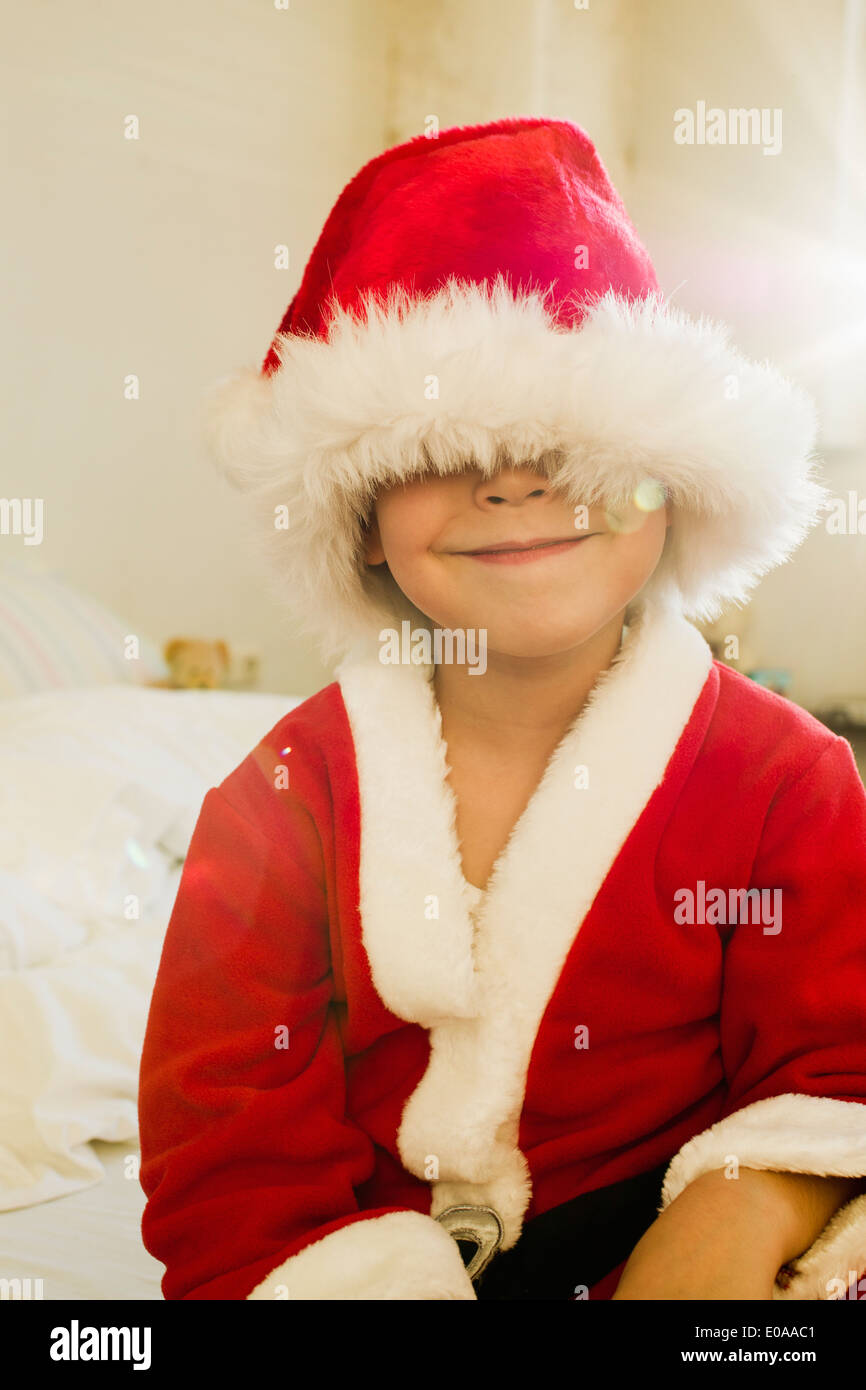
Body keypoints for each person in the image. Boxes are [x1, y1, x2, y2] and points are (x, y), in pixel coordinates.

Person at [138, 117, 866, 1300]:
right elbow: (223, 1159)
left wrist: (739, 1210)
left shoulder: (784, 776)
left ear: (673, 485)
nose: (514, 480)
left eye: (574, 444)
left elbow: (838, 1070)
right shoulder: (277, 804)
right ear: (360, 517)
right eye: (445, 444)